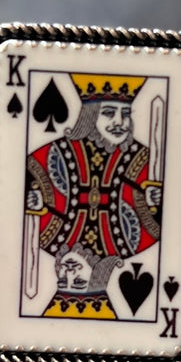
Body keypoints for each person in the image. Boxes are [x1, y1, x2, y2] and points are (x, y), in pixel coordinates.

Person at [25, 74, 162, 279]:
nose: (119, 122)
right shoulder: (58, 151)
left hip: (116, 251)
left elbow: (160, 227)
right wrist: (33, 204)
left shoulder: (142, 158)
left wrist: (155, 204)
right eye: (109, 113)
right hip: (65, 248)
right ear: (90, 115)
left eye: (125, 114)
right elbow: (26, 180)